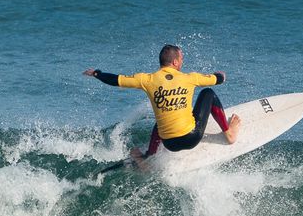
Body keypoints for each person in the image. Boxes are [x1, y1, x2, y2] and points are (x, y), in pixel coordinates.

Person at [83, 44, 240, 165]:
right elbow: (219, 79)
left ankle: (149, 156)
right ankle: (229, 134)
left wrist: (97, 73)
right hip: (191, 138)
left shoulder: (147, 79)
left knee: (162, 121)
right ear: (175, 61)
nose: (182, 61)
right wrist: (221, 74)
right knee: (208, 93)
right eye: (181, 58)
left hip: (169, 143)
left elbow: (116, 80)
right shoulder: (189, 78)